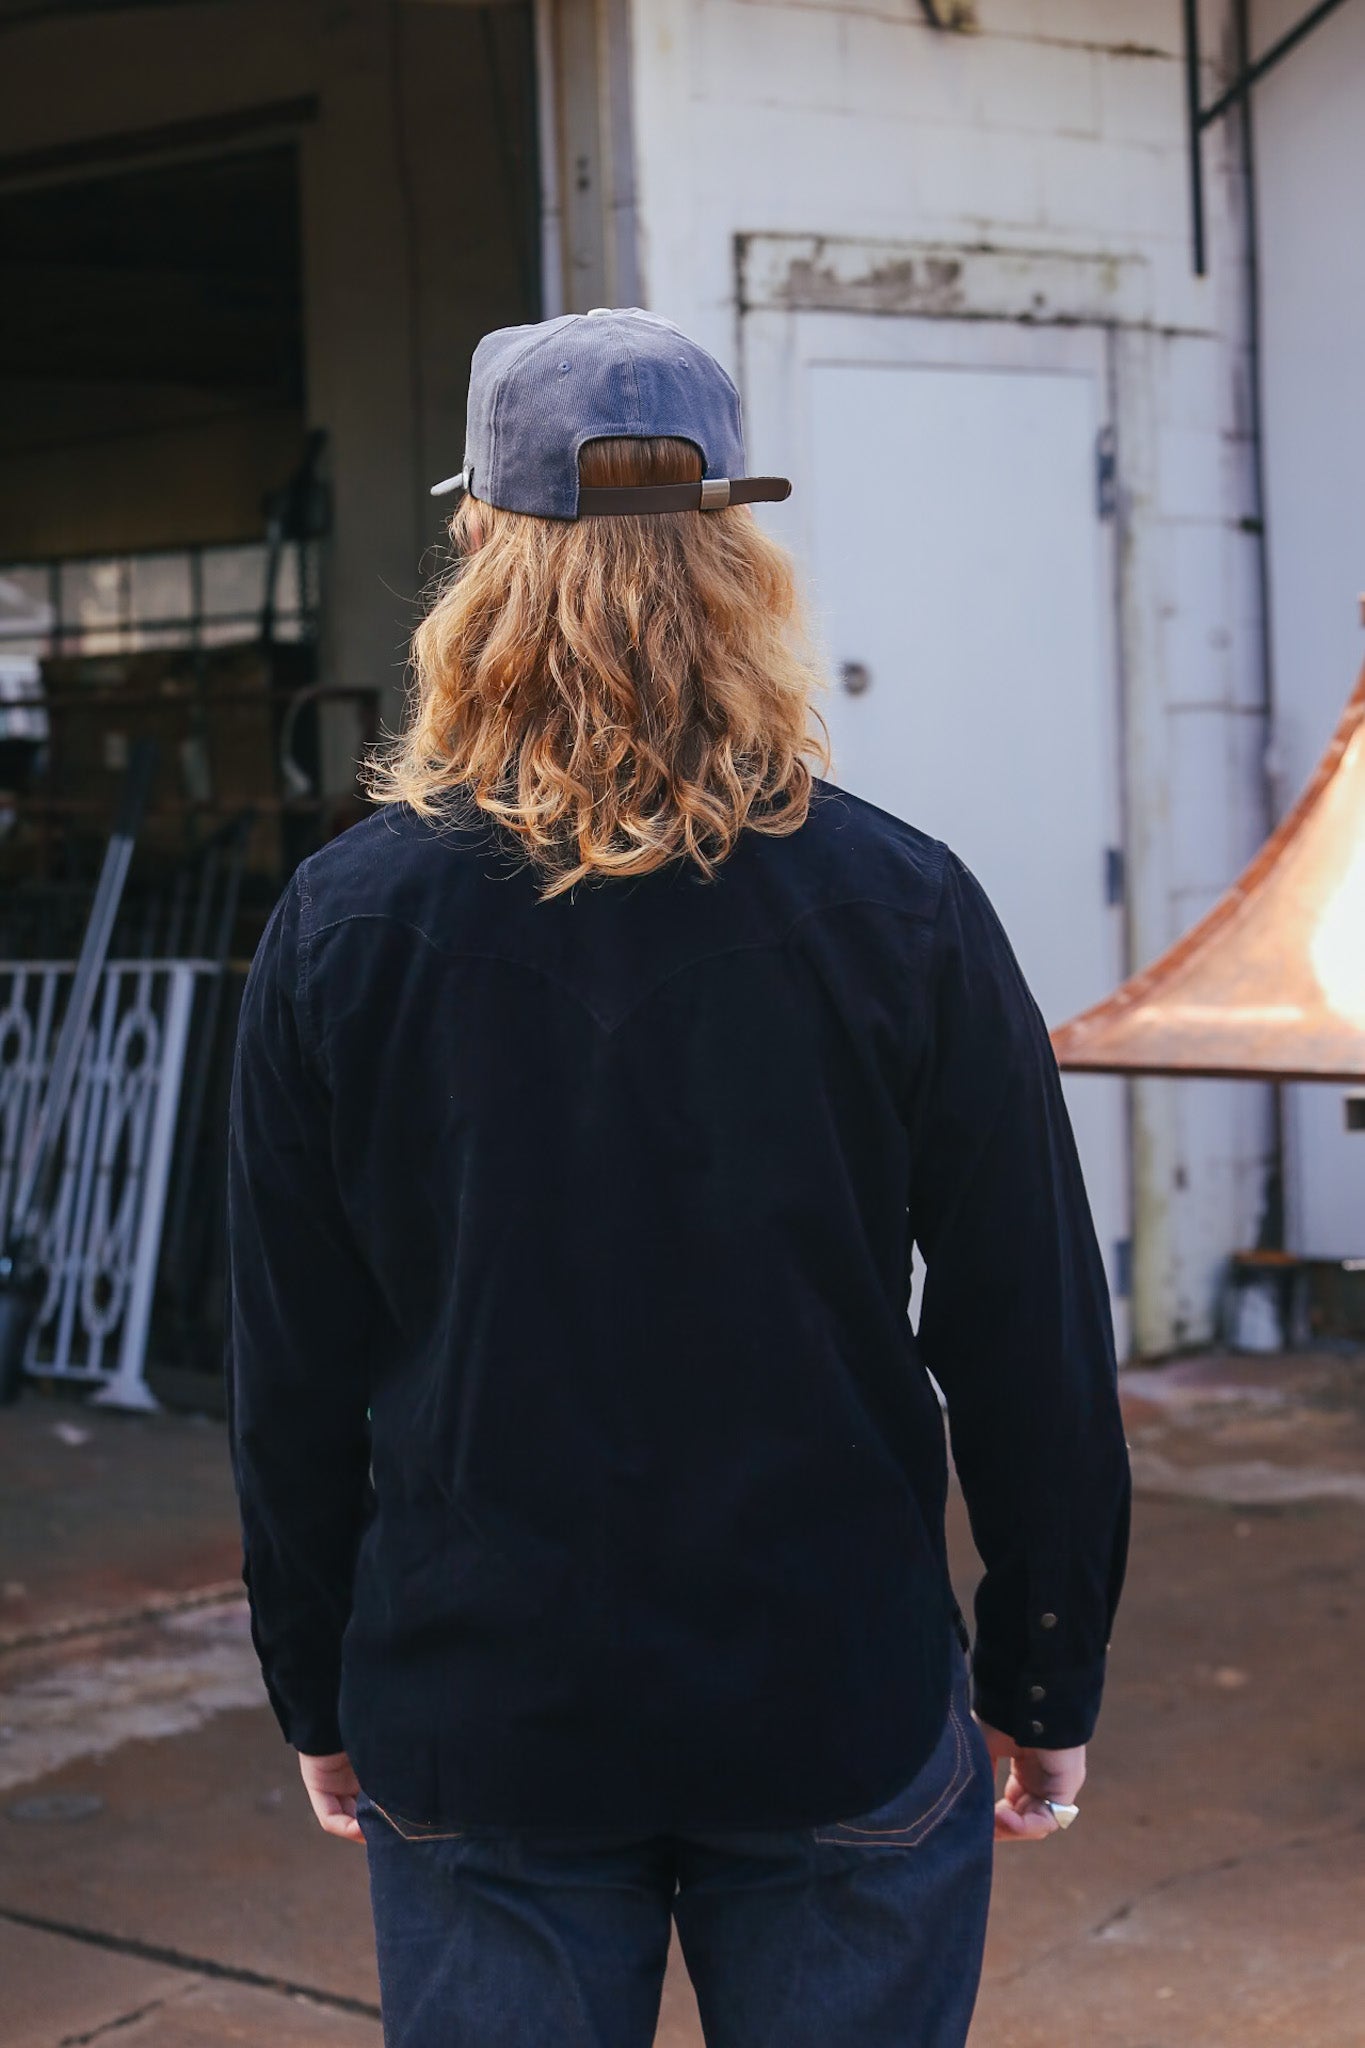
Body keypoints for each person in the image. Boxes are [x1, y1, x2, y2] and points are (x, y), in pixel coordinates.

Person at [226, 307, 1131, 2048]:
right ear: (736, 559)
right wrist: (1041, 1669)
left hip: (480, 1710)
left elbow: (294, 1369)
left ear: (479, 549)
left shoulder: (343, 929)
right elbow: (1030, 1333)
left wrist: (316, 1680)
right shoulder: (904, 909)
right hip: (832, 1702)